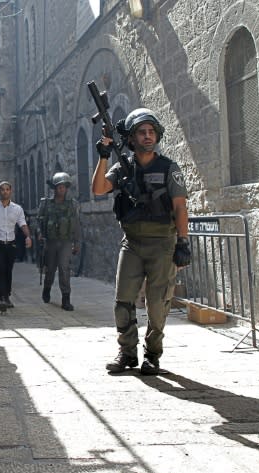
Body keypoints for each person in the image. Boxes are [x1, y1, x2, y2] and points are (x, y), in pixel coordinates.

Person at [91, 108, 191, 376]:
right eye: (141, 132)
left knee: (157, 304)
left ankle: (152, 355)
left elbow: (180, 207)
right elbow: (99, 188)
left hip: (162, 244)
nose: (147, 137)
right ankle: (126, 353)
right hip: (132, 243)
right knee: (122, 300)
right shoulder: (123, 167)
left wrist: (183, 242)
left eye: (151, 132)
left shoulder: (169, 168)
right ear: (132, 138)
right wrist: (103, 156)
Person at [0, 182, 32, 312]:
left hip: (10, 243)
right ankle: (2, 297)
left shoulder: (17, 209)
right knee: (0, 269)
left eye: (7, 189)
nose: (5, 192)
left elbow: (22, 224)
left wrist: (28, 236)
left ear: (11, 191)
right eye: (2, 190)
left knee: (8, 270)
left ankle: (7, 295)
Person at [37, 172, 81, 311]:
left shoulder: (72, 205)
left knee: (64, 269)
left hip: (66, 242)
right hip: (50, 241)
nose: (61, 190)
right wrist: (39, 234)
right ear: (54, 188)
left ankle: (66, 299)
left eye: (64, 187)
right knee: (50, 270)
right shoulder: (46, 203)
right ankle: (47, 288)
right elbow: (39, 222)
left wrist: (77, 243)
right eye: (59, 187)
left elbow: (76, 224)